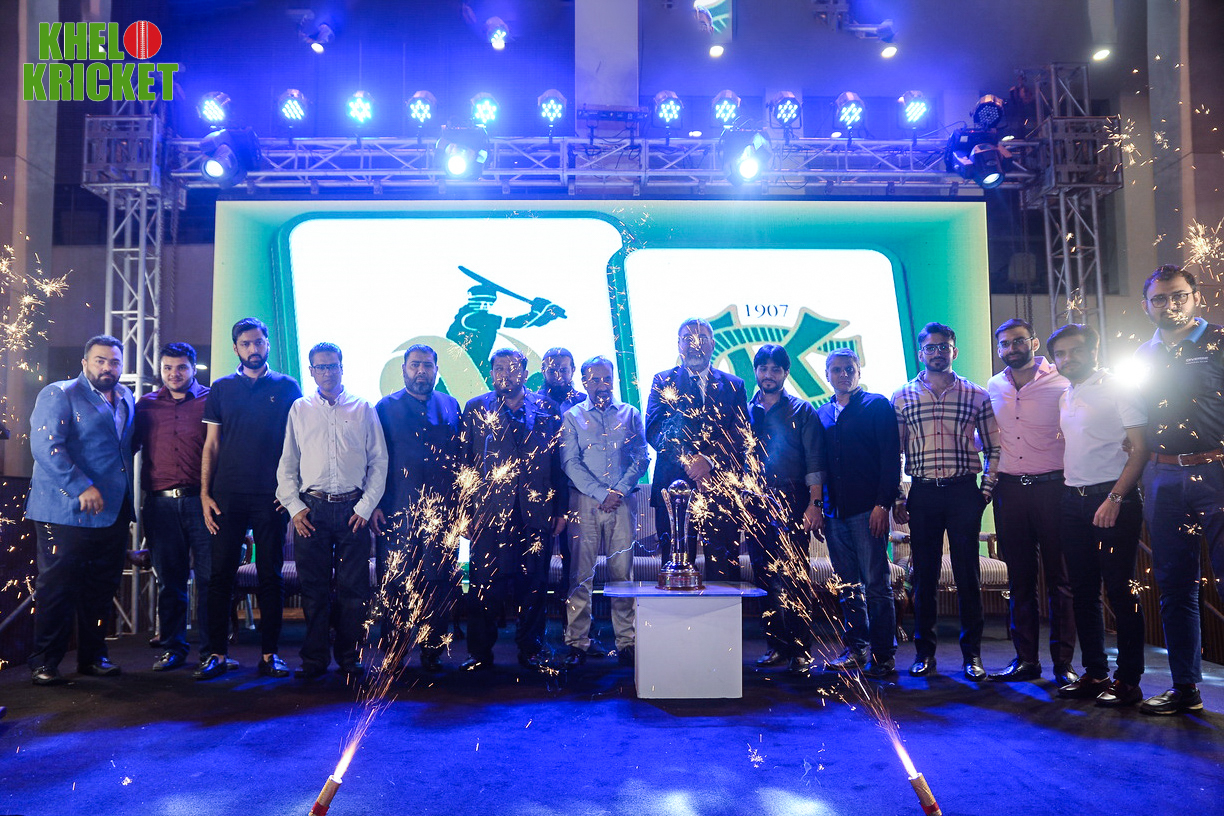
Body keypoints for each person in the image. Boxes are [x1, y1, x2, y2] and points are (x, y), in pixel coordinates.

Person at [1134, 264, 1224, 715]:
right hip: (1162, 476)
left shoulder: (1219, 342)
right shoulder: (1141, 355)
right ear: (1146, 306)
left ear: (1196, 297)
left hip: (1217, 473)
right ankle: (1185, 688)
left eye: (1178, 296)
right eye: (1160, 299)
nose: (1169, 305)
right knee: (1173, 585)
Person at [196, 317, 303, 681]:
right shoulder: (222, 388)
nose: (253, 349)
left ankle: (270, 655)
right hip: (226, 496)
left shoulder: (288, 386)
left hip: (273, 496)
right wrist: (204, 493)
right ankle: (216, 654)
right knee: (220, 575)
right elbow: (211, 445)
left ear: (267, 344)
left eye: (259, 342)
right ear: (235, 348)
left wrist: (292, 492)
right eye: (246, 343)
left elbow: (297, 443)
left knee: (271, 575)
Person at [1047, 323, 1148, 708]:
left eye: (1075, 351)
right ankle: (1095, 672)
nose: (1067, 359)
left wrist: (1115, 498)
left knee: (1121, 591)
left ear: (1093, 351)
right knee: (1083, 590)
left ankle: (1128, 680)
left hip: (1113, 500)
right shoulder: (1066, 394)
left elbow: (1140, 449)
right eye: (1060, 354)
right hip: (1072, 500)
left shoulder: (1119, 386)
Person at [26, 335, 136, 685]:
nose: (107, 367)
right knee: (57, 588)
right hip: (64, 510)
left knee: (101, 588)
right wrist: (80, 486)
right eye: (100, 360)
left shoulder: (126, 396)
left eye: (114, 362)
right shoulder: (59, 393)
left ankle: (93, 657)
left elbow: (121, 450)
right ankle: (45, 662)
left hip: (113, 510)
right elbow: (46, 446)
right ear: (85, 362)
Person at [893, 322, 1000, 681]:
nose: (937, 352)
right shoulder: (902, 396)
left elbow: (994, 447)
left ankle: (973, 656)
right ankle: (925, 654)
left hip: (963, 492)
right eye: (931, 347)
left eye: (944, 347)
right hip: (922, 493)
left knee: (968, 575)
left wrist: (986, 490)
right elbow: (894, 452)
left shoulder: (976, 394)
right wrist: (898, 495)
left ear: (954, 351)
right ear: (920, 353)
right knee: (924, 576)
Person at [277, 342, 387, 679]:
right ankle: (314, 659)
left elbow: (378, 461)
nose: (327, 372)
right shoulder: (299, 408)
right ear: (311, 371)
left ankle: (349, 658)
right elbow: (287, 464)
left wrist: (366, 507)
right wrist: (295, 508)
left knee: (354, 591)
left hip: (354, 509)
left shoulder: (363, 407)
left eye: (332, 366)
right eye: (321, 367)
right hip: (312, 511)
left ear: (342, 367)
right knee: (314, 590)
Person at [460, 348, 568, 671]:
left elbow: (558, 464)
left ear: (524, 371)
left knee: (534, 585)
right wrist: (464, 512)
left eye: (512, 368)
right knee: (484, 585)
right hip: (488, 514)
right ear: (491, 373)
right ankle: (480, 653)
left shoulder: (548, 408)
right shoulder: (475, 408)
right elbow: (465, 465)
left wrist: (560, 510)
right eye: (499, 369)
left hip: (535, 511)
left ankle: (531, 649)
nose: (505, 374)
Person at [985, 319, 1078, 686]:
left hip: (1054, 488)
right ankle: (1026, 660)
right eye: (1005, 344)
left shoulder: (1062, 379)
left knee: (1061, 580)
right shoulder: (994, 385)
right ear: (999, 349)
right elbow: (989, 436)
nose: (1012, 348)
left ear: (1034, 342)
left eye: (1019, 341)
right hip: (1010, 491)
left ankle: (1063, 665)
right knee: (1020, 580)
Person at [372, 344, 462, 673]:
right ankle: (395, 651)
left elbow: (460, 461)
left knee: (438, 582)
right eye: (414, 365)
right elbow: (374, 459)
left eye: (427, 365)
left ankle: (432, 650)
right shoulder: (384, 408)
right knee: (396, 581)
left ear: (436, 370)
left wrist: (461, 509)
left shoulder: (451, 405)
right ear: (404, 370)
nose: (421, 371)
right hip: (397, 509)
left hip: (442, 512)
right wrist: (376, 504)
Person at [560, 356, 649, 668]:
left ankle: (627, 641)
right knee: (580, 574)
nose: (601, 385)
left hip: (622, 503)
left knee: (622, 574)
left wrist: (618, 492)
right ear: (584, 382)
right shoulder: (572, 416)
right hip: (584, 502)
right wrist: (601, 494)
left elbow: (641, 457)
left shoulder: (630, 414)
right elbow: (570, 462)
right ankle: (577, 642)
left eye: (606, 378)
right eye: (595, 379)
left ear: (614, 380)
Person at [817, 348, 901, 679]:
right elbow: (819, 465)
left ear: (859, 372)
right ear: (827, 375)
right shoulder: (822, 413)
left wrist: (883, 505)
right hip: (834, 514)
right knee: (848, 585)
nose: (843, 375)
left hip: (869, 512)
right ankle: (856, 648)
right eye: (837, 370)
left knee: (876, 584)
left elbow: (891, 459)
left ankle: (883, 654)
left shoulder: (877, 406)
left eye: (849, 369)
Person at [645, 318, 749, 580]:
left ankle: (724, 610)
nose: (695, 344)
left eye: (702, 338)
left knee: (724, 570)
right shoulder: (662, 381)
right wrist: (689, 462)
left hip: (721, 488)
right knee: (675, 569)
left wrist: (708, 461)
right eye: (688, 338)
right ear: (679, 344)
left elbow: (740, 432)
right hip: (673, 490)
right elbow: (655, 430)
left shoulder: (734, 385)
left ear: (713, 344)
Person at [744, 344, 825, 674]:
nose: (769, 374)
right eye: (763, 368)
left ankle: (801, 650)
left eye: (775, 369)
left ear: (786, 373)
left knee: (795, 577)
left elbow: (815, 461)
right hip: (754, 503)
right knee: (764, 575)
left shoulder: (802, 410)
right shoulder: (746, 411)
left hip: (792, 500)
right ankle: (776, 645)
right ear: (756, 372)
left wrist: (815, 504)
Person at [133, 342, 212, 672]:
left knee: (210, 580)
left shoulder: (212, 400)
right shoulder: (145, 405)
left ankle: (212, 652)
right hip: (160, 505)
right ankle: (173, 649)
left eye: (181, 367)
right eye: (167, 368)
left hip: (204, 503)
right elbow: (125, 448)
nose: (174, 374)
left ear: (193, 368)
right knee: (170, 582)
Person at [539, 347, 586, 623]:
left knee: (575, 561)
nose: (558, 374)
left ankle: (575, 626)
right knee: (537, 561)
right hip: (541, 491)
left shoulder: (584, 402)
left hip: (576, 490)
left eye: (564, 369)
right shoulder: (531, 402)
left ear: (573, 371)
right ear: (543, 370)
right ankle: (536, 629)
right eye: (552, 369)